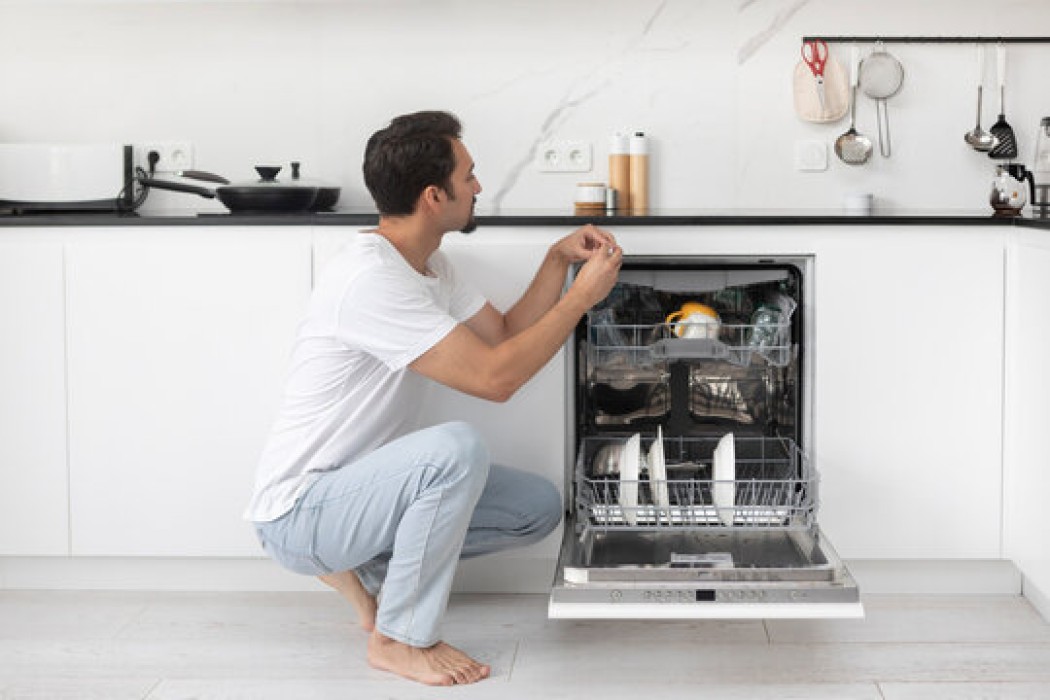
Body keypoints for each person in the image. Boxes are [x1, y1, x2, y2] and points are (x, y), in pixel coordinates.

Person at [243, 110, 622, 686]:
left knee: (536, 507)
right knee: (454, 449)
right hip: (301, 511)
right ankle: (397, 639)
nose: (477, 186)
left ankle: (367, 575)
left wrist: (557, 262)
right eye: (468, 175)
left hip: (361, 492)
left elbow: (504, 335)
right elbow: (498, 380)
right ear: (433, 196)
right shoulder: (370, 279)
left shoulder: (428, 264)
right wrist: (580, 302)